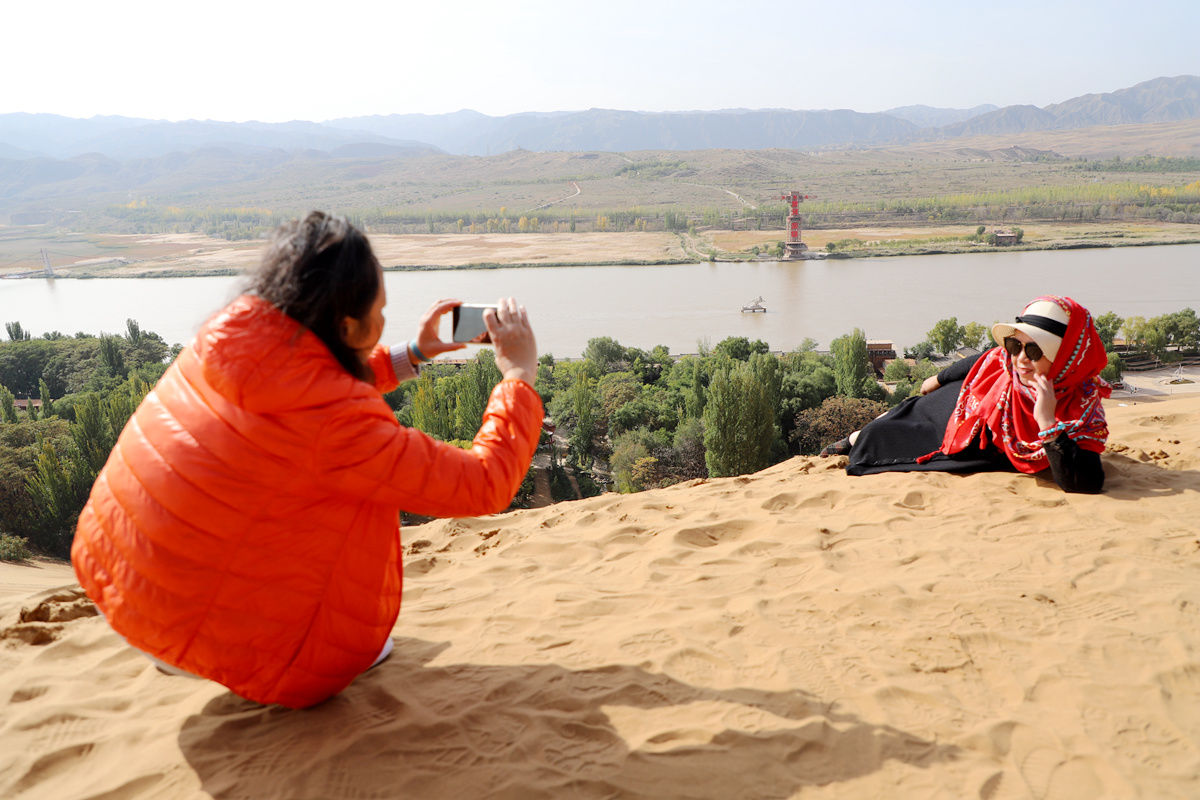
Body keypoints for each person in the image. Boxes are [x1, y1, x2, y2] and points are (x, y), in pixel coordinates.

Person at [71, 211, 544, 708]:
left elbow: (309, 388)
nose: (383, 320)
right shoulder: (338, 423)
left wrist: (415, 352)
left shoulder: (223, 345)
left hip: (120, 599)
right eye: (378, 312)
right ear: (344, 325)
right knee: (365, 641)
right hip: (217, 643)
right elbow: (485, 483)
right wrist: (517, 375)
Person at [823, 296, 1110, 494]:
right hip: (965, 401)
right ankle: (854, 437)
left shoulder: (1078, 409)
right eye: (1015, 345)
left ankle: (858, 437)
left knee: (885, 437)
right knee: (899, 417)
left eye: (1035, 350)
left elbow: (1084, 484)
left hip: (973, 438)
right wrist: (937, 377)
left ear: (1066, 357)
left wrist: (1047, 422)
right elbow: (986, 358)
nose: (1020, 358)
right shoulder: (1005, 363)